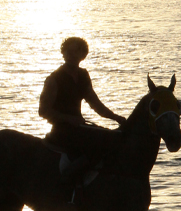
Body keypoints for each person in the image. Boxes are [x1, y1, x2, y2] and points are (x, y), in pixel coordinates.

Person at [39, 37, 126, 177]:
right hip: (62, 130)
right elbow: (43, 111)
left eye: (76, 52)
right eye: (69, 52)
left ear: (83, 55)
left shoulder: (83, 75)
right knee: (98, 145)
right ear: (63, 53)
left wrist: (117, 118)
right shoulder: (54, 79)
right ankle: (71, 181)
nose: (72, 55)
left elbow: (95, 104)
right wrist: (69, 119)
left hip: (79, 127)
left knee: (112, 137)